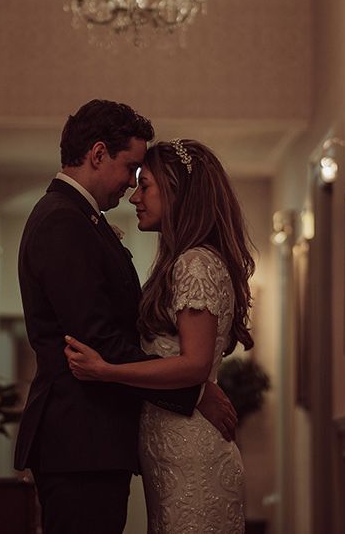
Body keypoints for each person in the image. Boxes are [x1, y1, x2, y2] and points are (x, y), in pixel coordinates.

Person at [14, 101, 238, 534]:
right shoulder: (64, 221)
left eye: (143, 180)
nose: (131, 188)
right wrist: (193, 392)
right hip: (80, 441)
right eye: (130, 168)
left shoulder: (80, 219)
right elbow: (97, 339)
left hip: (92, 443)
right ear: (98, 154)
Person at [65, 138, 254, 533]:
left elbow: (194, 364)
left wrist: (107, 370)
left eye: (145, 185)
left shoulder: (195, 263)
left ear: (177, 192)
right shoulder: (180, 262)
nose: (135, 197)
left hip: (192, 453)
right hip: (172, 453)